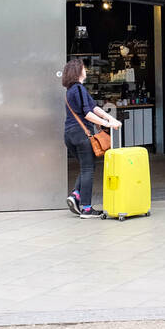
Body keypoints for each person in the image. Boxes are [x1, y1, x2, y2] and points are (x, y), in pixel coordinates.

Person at [61, 58, 121, 218]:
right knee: (88, 168)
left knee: (86, 166)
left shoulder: (71, 91)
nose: (85, 70)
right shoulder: (79, 89)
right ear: (78, 71)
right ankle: (86, 208)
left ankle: (76, 195)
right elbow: (88, 113)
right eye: (83, 68)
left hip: (70, 135)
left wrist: (110, 118)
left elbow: (94, 107)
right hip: (81, 134)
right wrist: (107, 124)